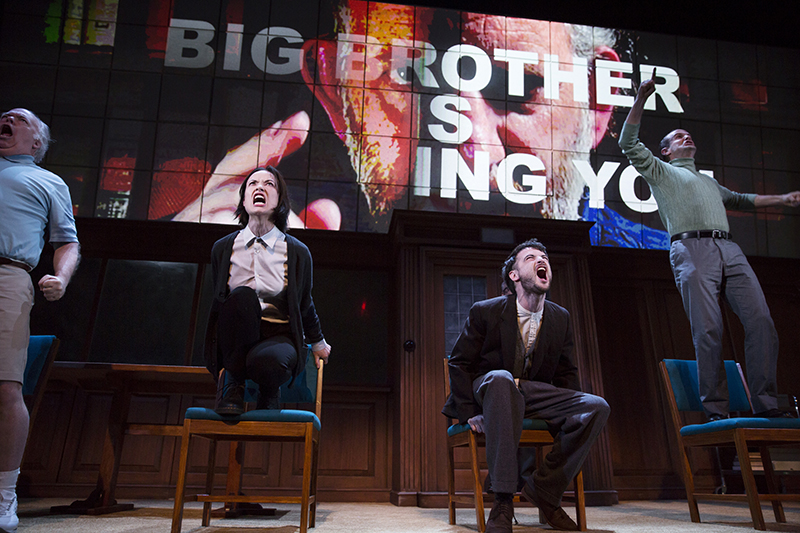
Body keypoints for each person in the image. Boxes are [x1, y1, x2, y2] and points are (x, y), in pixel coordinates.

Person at [174, 3, 658, 245]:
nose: (475, 153)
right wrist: (197, 266)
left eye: (517, 88)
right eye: (408, 77)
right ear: (334, 91)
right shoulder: (282, 254)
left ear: (596, 105)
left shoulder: (680, 277)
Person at [620, 71, 800, 421]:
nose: (686, 136)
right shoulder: (660, 171)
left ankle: (766, 402)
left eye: (687, 134)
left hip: (728, 250)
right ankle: (716, 409)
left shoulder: (708, 182)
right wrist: (641, 96)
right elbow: (628, 142)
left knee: (762, 321)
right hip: (692, 250)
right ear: (666, 151)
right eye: (677, 136)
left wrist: (784, 198)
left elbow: (741, 200)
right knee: (708, 329)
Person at [442, 239, 609, 532]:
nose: (541, 259)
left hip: (532, 394)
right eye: (530, 257)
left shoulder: (560, 317)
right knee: (502, 378)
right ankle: (503, 500)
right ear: (514, 275)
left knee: (596, 406)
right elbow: (459, 363)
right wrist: (469, 412)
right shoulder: (487, 311)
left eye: (544, 257)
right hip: (490, 389)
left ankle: (544, 490)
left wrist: (564, 416)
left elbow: (566, 374)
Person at [0, 108, 80, 533]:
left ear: (36, 143)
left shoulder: (49, 181)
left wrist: (61, 278)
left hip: (8, 276)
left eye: (19, 118)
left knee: (6, 388)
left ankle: (3, 496)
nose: (6, 118)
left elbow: (67, 242)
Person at [204, 165, 331, 416]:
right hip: (236, 337)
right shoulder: (223, 249)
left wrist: (317, 342)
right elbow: (221, 303)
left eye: (269, 184)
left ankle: (269, 389)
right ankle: (232, 384)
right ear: (243, 199)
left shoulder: (297, 252)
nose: (260, 187)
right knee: (241, 297)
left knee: (270, 362)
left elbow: (304, 303)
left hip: (278, 336)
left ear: (280, 200)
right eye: (253, 184)